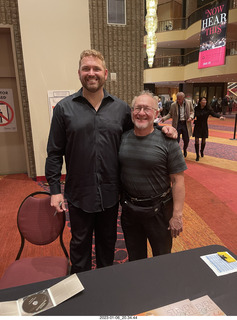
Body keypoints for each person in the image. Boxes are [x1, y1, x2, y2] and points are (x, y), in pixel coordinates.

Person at [45, 49, 178, 273]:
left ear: (105, 73)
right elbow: (54, 153)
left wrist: (162, 128)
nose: (91, 73)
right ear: (79, 73)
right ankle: (84, 299)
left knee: (108, 247)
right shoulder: (63, 109)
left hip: (111, 195)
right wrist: (55, 189)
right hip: (79, 195)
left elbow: (139, 130)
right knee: (80, 248)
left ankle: (107, 294)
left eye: (96, 68)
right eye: (86, 68)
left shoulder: (121, 109)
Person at [119, 91, 187, 262]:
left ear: (156, 113)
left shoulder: (168, 141)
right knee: (135, 259)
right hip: (130, 211)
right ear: (132, 112)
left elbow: (178, 180)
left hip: (159, 212)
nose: (141, 113)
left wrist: (177, 215)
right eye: (137, 108)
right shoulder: (122, 138)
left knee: (162, 260)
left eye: (147, 109)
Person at [161, 92, 194, 158]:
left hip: (186, 124)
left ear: (183, 98)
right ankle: (177, 152)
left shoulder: (189, 103)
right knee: (176, 140)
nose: (178, 100)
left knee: (186, 139)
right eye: (177, 99)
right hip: (177, 124)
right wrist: (163, 118)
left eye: (180, 99)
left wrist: (191, 117)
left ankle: (185, 150)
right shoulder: (173, 105)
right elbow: (170, 114)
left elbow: (192, 112)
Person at [193, 96, 225, 161]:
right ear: (200, 102)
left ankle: (201, 151)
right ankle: (197, 155)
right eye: (203, 100)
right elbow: (193, 115)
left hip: (204, 126)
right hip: (197, 125)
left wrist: (219, 117)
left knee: (203, 140)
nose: (204, 102)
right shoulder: (196, 108)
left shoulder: (208, 109)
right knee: (196, 140)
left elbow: (213, 114)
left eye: (205, 100)